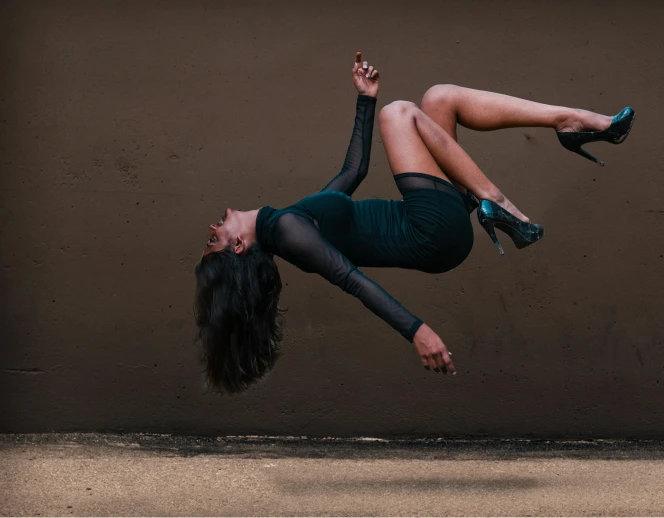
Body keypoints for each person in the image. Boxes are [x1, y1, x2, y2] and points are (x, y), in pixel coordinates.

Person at [193, 51, 635, 394]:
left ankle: (569, 122)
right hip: (432, 232)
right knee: (399, 114)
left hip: (436, 223)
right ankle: (497, 202)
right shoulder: (288, 233)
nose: (210, 232)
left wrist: (365, 99)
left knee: (440, 98)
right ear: (237, 248)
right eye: (213, 242)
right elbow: (350, 279)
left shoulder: (289, 222)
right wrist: (418, 332)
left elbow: (352, 174)